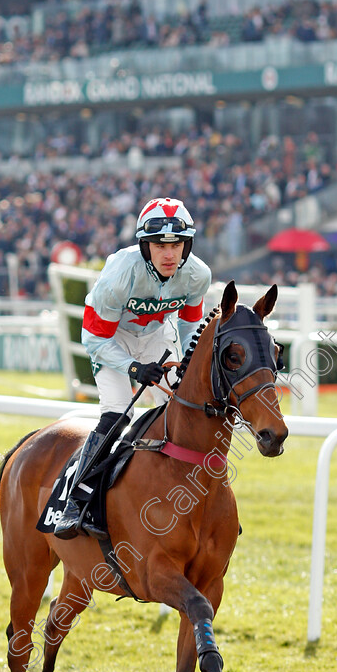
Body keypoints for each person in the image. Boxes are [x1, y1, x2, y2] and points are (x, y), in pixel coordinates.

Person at [54, 197, 212, 540]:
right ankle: (75, 503)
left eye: (177, 245)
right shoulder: (120, 274)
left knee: (187, 410)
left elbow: (189, 326)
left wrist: (187, 362)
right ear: (144, 246)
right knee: (117, 416)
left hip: (158, 337)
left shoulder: (197, 274)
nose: (169, 254)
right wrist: (133, 368)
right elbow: (93, 339)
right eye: (159, 245)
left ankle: (206, 500)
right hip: (113, 342)